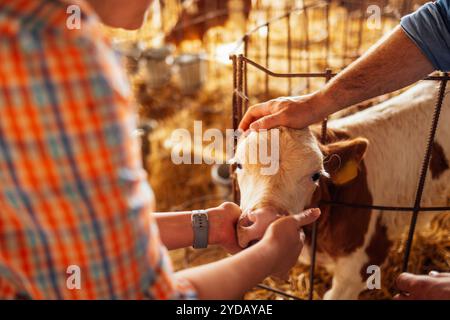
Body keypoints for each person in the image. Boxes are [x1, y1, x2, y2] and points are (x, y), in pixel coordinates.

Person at [0, 0, 321, 299]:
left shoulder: (24, 25)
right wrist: (268, 256)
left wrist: (205, 225)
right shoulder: (60, 57)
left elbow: (60, 229)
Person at [239, 0, 450, 300]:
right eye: (240, 165)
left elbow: (368, 260)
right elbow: (439, 24)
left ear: (333, 167)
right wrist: (316, 104)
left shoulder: (345, 215)